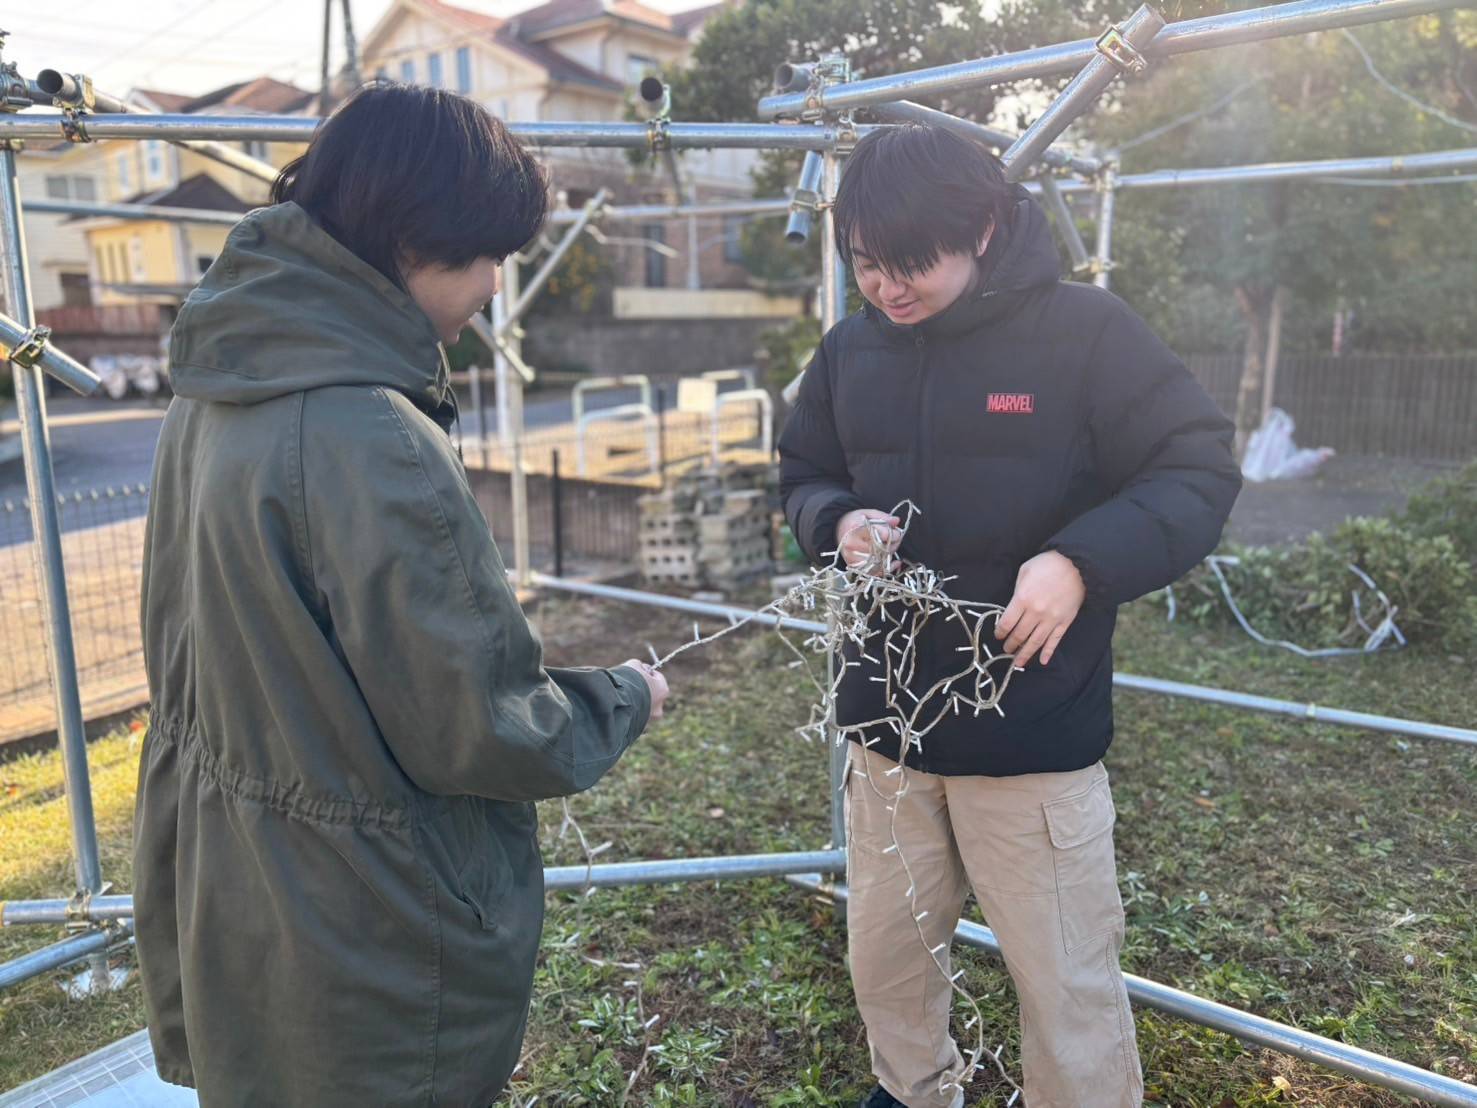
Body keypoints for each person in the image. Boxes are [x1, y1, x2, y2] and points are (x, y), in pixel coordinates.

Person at [133, 83, 669, 1107]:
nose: (497, 288)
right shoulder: (371, 433)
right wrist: (626, 696)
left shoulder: (217, 387)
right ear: (419, 240)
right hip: (361, 926)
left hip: (233, 885)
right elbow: (482, 724)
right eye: (491, 257)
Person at [778, 124, 1242, 1108]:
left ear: (983, 227)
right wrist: (836, 519)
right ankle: (911, 1089)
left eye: (912, 265)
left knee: (1063, 974)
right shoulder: (848, 350)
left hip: (1029, 731)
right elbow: (802, 474)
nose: (888, 290)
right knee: (888, 950)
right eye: (866, 265)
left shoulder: (1084, 333)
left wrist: (1079, 561)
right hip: (886, 726)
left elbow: (1195, 465)